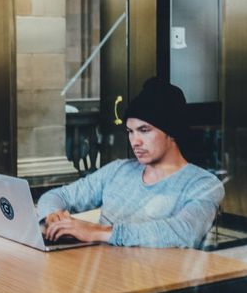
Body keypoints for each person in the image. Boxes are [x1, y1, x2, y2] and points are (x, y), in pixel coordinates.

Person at [39, 77, 224, 248]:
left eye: (144, 130)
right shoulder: (118, 170)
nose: (135, 141)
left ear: (171, 132)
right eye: (130, 131)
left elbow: (184, 232)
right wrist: (52, 215)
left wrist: (97, 231)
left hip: (158, 279)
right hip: (100, 271)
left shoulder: (203, 184)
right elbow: (58, 196)